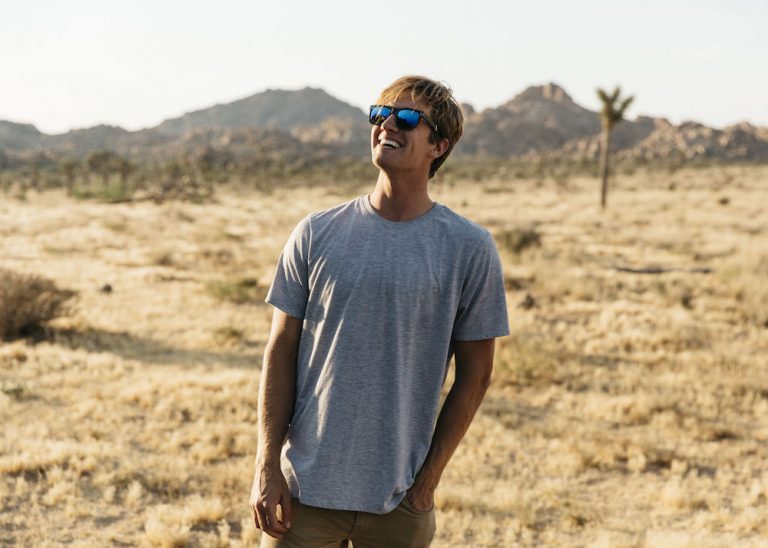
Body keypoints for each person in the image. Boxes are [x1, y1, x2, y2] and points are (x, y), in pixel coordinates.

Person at [250, 75, 509, 547]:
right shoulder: (316, 233)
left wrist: (426, 483)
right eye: (380, 113)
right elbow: (280, 349)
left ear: (439, 146)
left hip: (400, 502)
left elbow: (477, 373)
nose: (388, 124)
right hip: (303, 496)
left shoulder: (468, 248)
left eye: (407, 118)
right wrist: (266, 466)